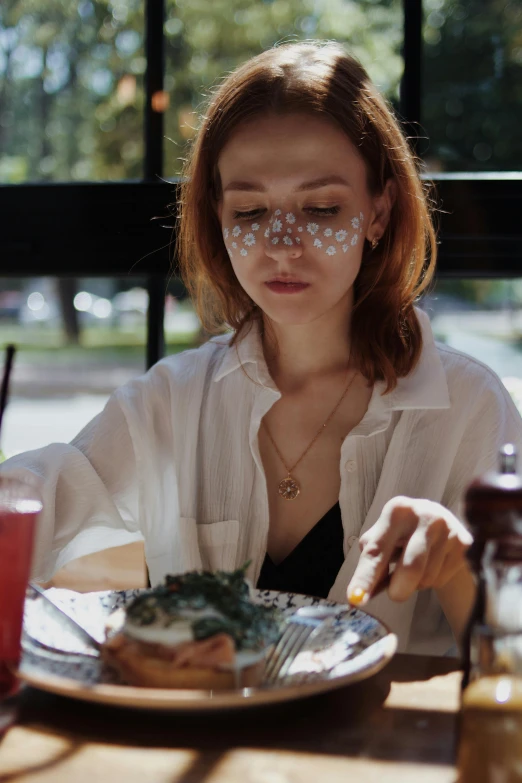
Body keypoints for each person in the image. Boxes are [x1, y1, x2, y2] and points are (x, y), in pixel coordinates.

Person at [3, 41, 522, 655]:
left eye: (322, 208)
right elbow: (43, 492)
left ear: (379, 211)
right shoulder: (173, 399)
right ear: (217, 219)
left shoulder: (467, 407)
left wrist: (456, 562)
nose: (281, 245)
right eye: (249, 211)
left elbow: (513, 651)